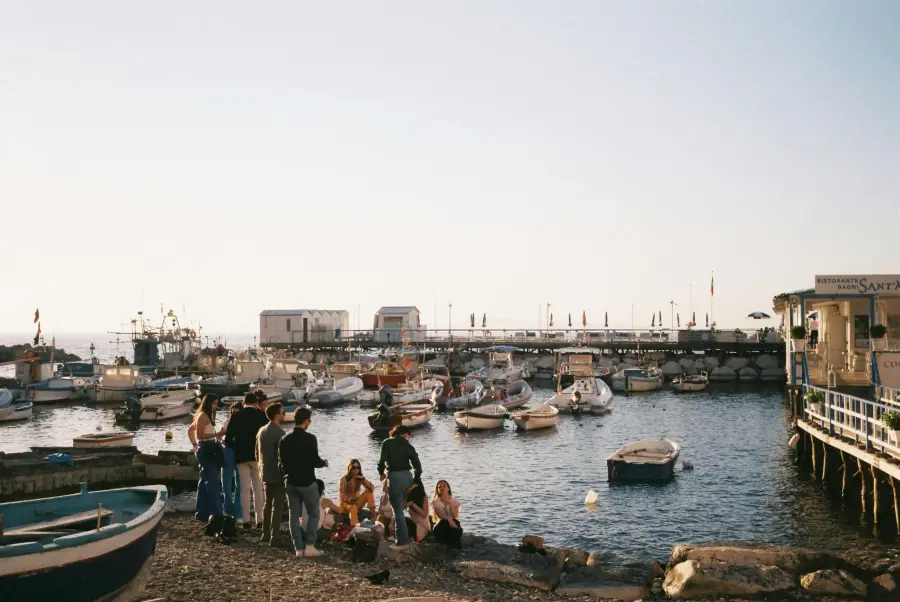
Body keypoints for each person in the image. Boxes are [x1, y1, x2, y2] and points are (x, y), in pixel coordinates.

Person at [278, 406, 328, 558]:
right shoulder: (310, 438)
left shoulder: (284, 439)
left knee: (294, 515)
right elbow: (314, 460)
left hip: (291, 481)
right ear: (306, 421)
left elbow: (281, 464)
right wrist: (323, 463)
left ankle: (298, 548)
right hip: (307, 482)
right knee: (314, 513)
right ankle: (310, 545)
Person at [225, 392, 268, 529]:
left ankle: (246, 521)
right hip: (257, 456)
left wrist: (236, 448)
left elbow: (227, 439)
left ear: (244, 403)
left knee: (244, 489)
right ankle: (260, 520)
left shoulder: (236, 416)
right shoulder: (261, 415)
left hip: (241, 457)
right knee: (258, 488)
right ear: (256, 403)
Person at [377, 424, 422, 551]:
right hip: (408, 477)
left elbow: (381, 461)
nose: (408, 438)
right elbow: (417, 465)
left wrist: (381, 472)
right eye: (409, 435)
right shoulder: (408, 445)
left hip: (395, 477)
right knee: (401, 509)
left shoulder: (387, 442)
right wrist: (416, 478)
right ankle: (404, 538)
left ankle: (402, 542)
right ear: (404, 433)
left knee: (397, 511)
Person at [191, 394, 226, 522]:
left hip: (208, 446)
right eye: (213, 403)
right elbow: (200, 435)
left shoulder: (207, 415)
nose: (215, 406)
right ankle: (217, 513)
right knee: (212, 482)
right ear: (207, 403)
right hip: (206, 448)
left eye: (217, 403)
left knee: (203, 481)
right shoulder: (202, 416)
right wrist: (219, 433)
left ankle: (201, 513)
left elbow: (191, 430)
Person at [256, 402, 286, 545]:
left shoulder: (261, 431)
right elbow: (282, 456)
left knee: (267, 504)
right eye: (282, 412)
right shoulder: (280, 433)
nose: (284, 414)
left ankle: (265, 533)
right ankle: (275, 536)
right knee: (278, 505)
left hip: (265, 471)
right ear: (276, 415)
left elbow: (257, 452)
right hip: (277, 474)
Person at [221, 401, 244, 521]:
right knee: (226, 482)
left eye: (237, 410)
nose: (234, 412)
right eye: (232, 410)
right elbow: (219, 435)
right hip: (228, 451)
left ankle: (238, 511)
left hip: (239, 452)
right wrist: (222, 441)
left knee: (239, 483)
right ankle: (227, 507)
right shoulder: (226, 422)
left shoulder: (244, 422)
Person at [338, 459, 376, 525]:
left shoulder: (359, 478)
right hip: (346, 505)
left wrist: (364, 479)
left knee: (369, 492)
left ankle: (373, 517)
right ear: (349, 468)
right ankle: (355, 525)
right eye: (354, 467)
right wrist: (349, 500)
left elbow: (372, 489)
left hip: (356, 502)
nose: (356, 469)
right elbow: (341, 496)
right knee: (353, 506)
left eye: (358, 467)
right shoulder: (344, 479)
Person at [431, 480, 462, 548]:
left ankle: (457, 551)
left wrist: (450, 503)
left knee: (455, 531)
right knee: (444, 524)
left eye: (444, 486)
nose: (442, 488)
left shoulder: (455, 501)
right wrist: (449, 519)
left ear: (448, 488)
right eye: (439, 487)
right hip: (441, 524)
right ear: (437, 490)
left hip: (454, 522)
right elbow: (440, 515)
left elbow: (455, 515)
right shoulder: (435, 502)